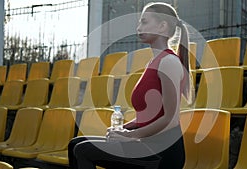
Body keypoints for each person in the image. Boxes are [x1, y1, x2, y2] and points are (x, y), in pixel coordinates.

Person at [68, 2, 192, 169]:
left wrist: (132, 135)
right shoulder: (153, 62)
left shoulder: (168, 62)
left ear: (162, 26)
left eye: (144, 22)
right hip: (147, 144)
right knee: (75, 144)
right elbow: (148, 116)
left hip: (162, 152)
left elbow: (171, 120)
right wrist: (123, 129)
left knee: (83, 150)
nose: (138, 27)